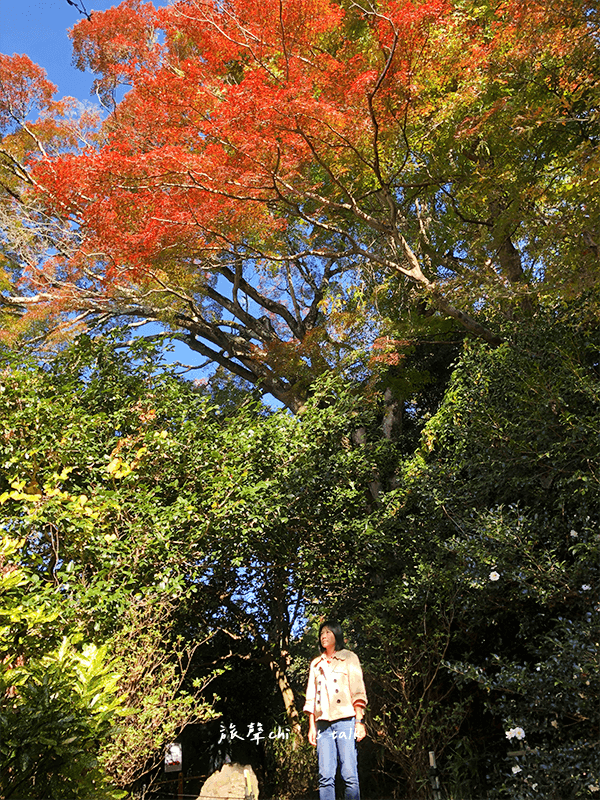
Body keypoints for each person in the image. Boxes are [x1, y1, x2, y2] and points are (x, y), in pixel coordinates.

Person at [303, 620, 367, 800]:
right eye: (321, 633)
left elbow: (358, 691)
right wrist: (312, 726)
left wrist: (359, 721)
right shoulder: (316, 664)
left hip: (345, 720)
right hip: (323, 724)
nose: (323, 636)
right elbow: (311, 698)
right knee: (325, 776)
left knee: (349, 774)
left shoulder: (349, 657)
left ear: (336, 635)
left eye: (328, 632)